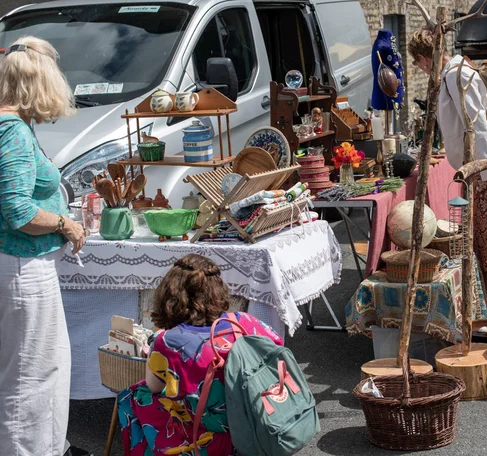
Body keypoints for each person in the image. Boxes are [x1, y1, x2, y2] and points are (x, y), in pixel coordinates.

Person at [407, 29, 487, 318]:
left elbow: (478, 124)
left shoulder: (456, 74)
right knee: (485, 235)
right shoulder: (452, 73)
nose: (419, 69)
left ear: (425, 59)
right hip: (482, 163)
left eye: (417, 63)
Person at [0, 36, 86, 455]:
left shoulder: (13, 126)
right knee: (30, 377)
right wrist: (66, 224)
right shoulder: (12, 130)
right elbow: (18, 211)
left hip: (19, 266)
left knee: (34, 371)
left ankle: (49, 447)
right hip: (22, 268)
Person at [118, 254, 283, 455]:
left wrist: (155, 342)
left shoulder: (169, 341)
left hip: (209, 434)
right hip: (257, 423)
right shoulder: (243, 321)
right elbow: (277, 346)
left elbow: (154, 386)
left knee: (134, 395)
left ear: (170, 295)